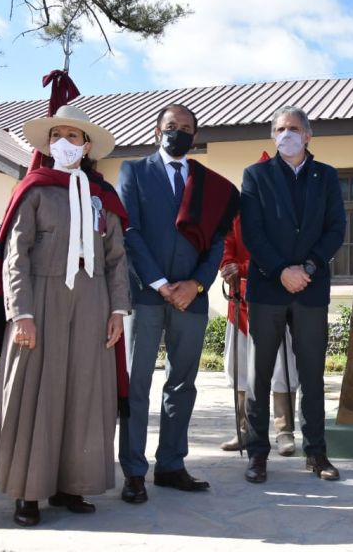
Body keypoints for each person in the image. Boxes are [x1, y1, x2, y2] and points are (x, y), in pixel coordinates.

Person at [0, 105, 130, 527]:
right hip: (40, 299)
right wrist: (20, 312)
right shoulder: (34, 190)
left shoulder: (104, 197)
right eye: (57, 135)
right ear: (48, 144)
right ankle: (28, 492)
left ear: (86, 146)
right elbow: (15, 255)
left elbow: (117, 258)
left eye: (74, 136)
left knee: (84, 391)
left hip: (94, 300)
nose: (65, 142)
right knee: (33, 392)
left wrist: (118, 310)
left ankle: (70, 484)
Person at [117, 103, 236, 504]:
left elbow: (218, 239)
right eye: (171, 126)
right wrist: (162, 283)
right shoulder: (133, 171)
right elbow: (129, 231)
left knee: (183, 383)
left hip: (192, 298)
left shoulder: (208, 184)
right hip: (146, 295)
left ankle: (171, 464)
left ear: (195, 135)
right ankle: (133, 471)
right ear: (157, 130)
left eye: (186, 127)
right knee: (137, 385)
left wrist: (197, 285)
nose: (178, 132)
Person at [240, 105, 346, 483]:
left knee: (312, 375)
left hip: (311, 289)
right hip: (268, 287)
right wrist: (281, 270)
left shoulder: (327, 176)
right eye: (279, 128)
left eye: (293, 128)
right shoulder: (255, 175)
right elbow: (252, 231)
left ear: (307, 136)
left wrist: (309, 268)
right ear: (273, 136)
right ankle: (257, 455)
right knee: (260, 376)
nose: (286, 134)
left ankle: (317, 454)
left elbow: (336, 229)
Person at [220, 190, 300, 456]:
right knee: (242, 367)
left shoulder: (283, 218)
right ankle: (245, 430)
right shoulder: (237, 217)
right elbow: (227, 243)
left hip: (275, 299)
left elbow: (277, 254)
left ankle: (284, 430)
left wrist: (241, 267)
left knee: (280, 367)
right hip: (240, 299)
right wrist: (228, 265)